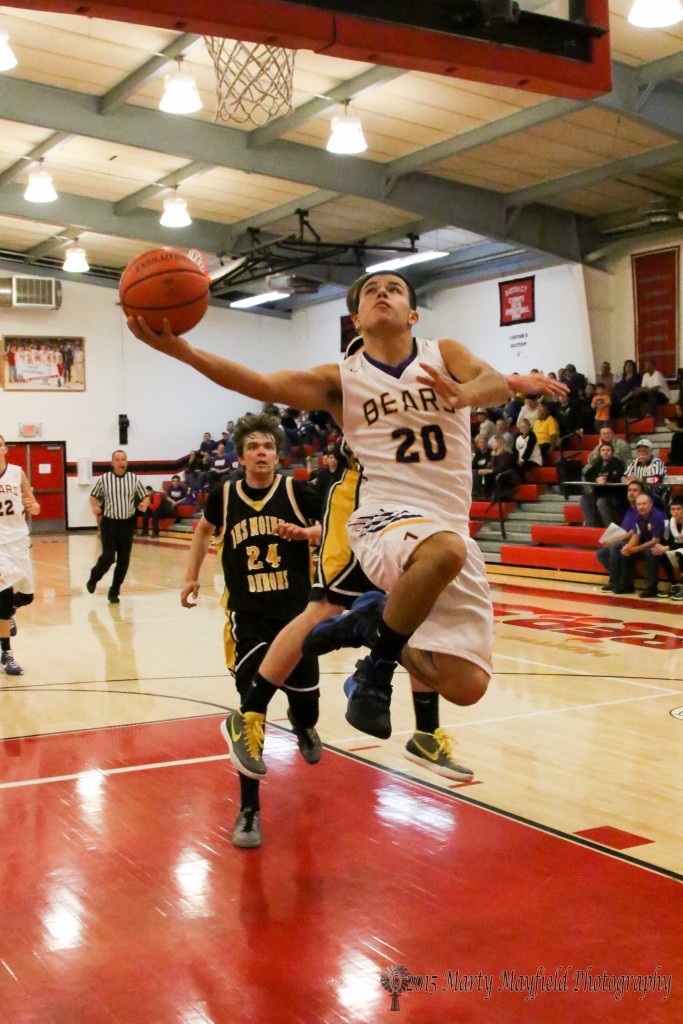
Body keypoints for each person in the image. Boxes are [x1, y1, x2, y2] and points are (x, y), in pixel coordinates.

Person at [126, 271, 567, 753]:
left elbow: (491, 383)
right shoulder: (341, 380)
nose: (383, 293)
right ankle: (373, 673)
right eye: (370, 291)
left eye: (395, 289)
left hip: (446, 524)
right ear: (355, 318)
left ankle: (372, 623)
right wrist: (183, 353)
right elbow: (260, 381)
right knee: (444, 551)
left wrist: (467, 394)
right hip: (385, 517)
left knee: (466, 685)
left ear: (413, 315)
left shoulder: (444, 353)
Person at [181, 413, 323, 848]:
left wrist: (307, 533)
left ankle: (303, 726)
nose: (261, 452)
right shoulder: (223, 497)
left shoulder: (299, 492)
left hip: (297, 619)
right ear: (241, 456)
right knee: (250, 715)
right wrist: (192, 575)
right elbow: (204, 528)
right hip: (249, 620)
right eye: (253, 447)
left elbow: (335, 532)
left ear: (277, 454)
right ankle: (248, 810)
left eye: (267, 446)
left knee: (308, 707)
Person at [0, 435, 40, 675]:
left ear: (4, 448)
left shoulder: (17, 473)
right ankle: (7, 654)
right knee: (3, 599)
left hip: (18, 540)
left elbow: (33, 505)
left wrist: (33, 506)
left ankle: (11, 613)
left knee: (27, 596)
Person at [86, 450, 149, 603]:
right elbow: (93, 497)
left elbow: (145, 496)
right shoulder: (104, 479)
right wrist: (94, 507)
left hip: (127, 524)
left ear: (126, 462)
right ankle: (94, 576)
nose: (121, 462)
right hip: (109, 523)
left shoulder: (133, 479)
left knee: (124, 560)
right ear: (112, 463)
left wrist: (144, 504)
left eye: (123, 459)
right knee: (108, 557)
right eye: (118, 460)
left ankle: (114, 591)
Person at [612, 492, 666, 598]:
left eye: (644, 504)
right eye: (639, 504)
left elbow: (655, 541)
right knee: (624, 549)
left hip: (662, 547)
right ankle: (626, 585)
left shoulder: (658, 516)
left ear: (651, 504)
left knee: (651, 552)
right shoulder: (638, 516)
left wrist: (635, 549)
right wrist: (629, 547)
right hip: (646, 545)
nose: (641, 507)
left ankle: (651, 588)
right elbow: (636, 535)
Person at [580, 442, 626, 528]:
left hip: (615, 494)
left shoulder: (618, 463)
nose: (605, 452)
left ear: (612, 452)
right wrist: (596, 479)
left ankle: (609, 528)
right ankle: (591, 525)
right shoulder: (597, 463)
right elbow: (588, 474)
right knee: (584, 499)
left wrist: (606, 480)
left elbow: (617, 477)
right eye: (603, 450)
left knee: (601, 502)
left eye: (608, 450)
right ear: (600, 453)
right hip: (600, 493)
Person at [652, 501, 683, 599]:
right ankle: (673, 585)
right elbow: (666, 540)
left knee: (680, 553)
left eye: (678, 509)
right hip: (676, 548)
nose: (676, 512)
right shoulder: (668, 523)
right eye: (673, 509)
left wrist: (667, 547)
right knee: (658, 553)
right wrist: (660, 547)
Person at [623, 439, 667, 503]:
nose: (642, 453)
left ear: (651, 451)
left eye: (645, 451)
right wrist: (628, 481)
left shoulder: (657, 462)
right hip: (638, 492)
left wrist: (638, 480)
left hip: (655, 494)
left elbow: (657, 479)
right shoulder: (635, 462)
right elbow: (623, 477)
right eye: (639, 451)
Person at [471, 433, 493, 499]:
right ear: (478, 444)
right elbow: (473, 465)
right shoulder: (477, 452)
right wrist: (480, 468)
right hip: (479, 471)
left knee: (480, 473)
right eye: (481, 442)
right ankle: (477, 494)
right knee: (474, 472)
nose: (482, 444)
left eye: (484, 442)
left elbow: (490, 464)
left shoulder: (490, 452)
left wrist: (482, 467)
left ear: (486, 442)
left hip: (488, 471)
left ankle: (486, 495)